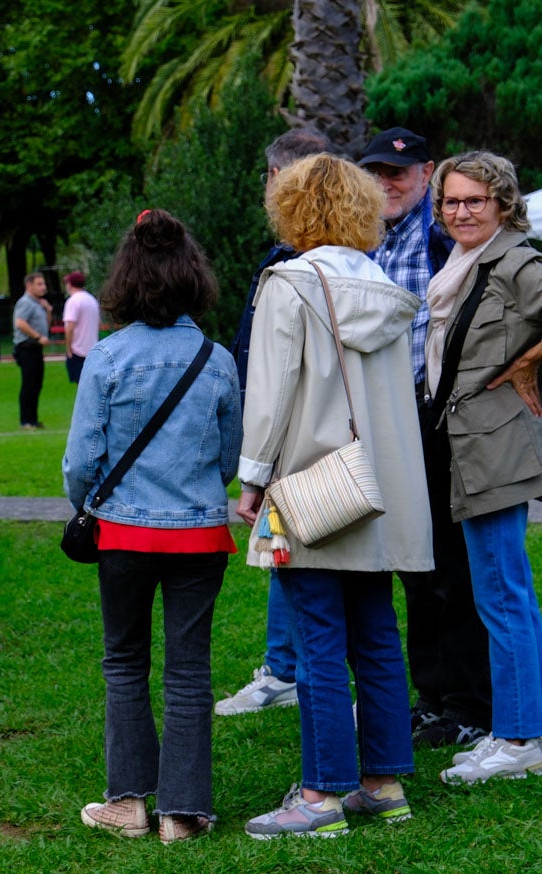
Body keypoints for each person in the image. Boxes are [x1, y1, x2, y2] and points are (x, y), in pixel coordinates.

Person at [238, 154, 431, 838]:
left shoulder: (288, 283)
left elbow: (269, 393)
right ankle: (380, 784)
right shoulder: (384, 285)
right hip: (381, 492)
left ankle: (319, 797)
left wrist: (252, 478)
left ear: (290, 209)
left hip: (310, 485)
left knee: (317, 639)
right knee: (376, 635)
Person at [64, 209, 240, 845]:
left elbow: (82, 459)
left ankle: (128, 802)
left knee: (124, 662)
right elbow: (229, 455)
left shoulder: (108, 357)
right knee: (189, 670)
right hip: (199, 535)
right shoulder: (216, 360)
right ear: (193, 276)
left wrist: (88, 502)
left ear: (126, 280)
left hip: (124, 536)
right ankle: (183, 811)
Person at [358, 126, 491, 749]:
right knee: (412, 561)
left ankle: (469, 703)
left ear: (426, 175)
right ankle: (433, 696)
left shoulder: (442, 233)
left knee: (448, 563)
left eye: (398, 173)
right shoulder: (369, 240)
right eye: (377, 171)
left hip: (436, 418)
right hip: (391, 422)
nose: (387, 182)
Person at [424, 151, 542, 783]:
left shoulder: (517, 259)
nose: (462, 211)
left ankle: (523, 740)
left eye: (475, 200)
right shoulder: (463, 263)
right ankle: (518, 726)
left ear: (502, 202)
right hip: (467, 444)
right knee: (498, 591)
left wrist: (528, 363)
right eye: (451, 201)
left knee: (502, 592)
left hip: (496, 445)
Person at [217, 126, 332, 717]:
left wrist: (254, 469)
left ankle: (293, 671)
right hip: (315, 442)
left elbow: (273, 371)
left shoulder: (296, 268)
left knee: (294, 554)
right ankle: (287, 667)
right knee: (287, 552)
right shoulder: (310, 261)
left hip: (297, 441)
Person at [13, 272, 52, 429]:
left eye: (43, 284)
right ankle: (26, 421)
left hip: (36, 349)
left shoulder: (38, 303)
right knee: (29, 384)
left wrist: (48, 310)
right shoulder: (25, 303)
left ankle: (33, 420)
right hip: (27, 348)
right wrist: (37, 337)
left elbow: (46, 325)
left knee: (36, 384)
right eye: (39, 284)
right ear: (29, 286)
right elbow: (20, 323)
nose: (44, 287)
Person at [61, 270, 99, 384]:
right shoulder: (92, 299)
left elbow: (70, 327)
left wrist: (68, 349)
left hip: (78, 349)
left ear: (70, 284)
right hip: (92, 348)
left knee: (81, 385)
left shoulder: (73, 301)